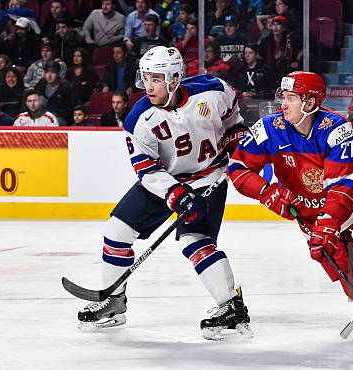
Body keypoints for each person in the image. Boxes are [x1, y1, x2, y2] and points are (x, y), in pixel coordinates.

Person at [76, 46, 253, 341]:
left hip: (208, 177)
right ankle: (114, 302)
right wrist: (175, 194)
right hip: (164, 180)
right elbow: (147, 170)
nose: (148, 86)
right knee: (117, 232)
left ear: (174, 79)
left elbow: (232, 118)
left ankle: (231, 308)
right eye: (145, 78)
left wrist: (236, 136)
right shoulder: (139, 119)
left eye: (156, 78)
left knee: (195, 241)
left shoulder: (213, 89)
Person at [228, 71, 353, 319]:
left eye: (291, 98)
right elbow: (238, 168)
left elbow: (342, 184)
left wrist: (328, 221)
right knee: (342, 268)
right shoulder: (269, 128)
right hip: (311, 214)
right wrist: (266, 193)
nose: (283, 104)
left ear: (310, 102)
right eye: (284, 97)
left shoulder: (337, 127)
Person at [34, 61, 76, 125]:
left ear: (58, 73)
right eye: (47, 72)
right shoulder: (42, 83)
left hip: (59, 117)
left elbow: (69, 109)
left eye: (53, 72)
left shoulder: (65, 86)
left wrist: (52, 115)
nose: (49, 75)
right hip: (42, 115)